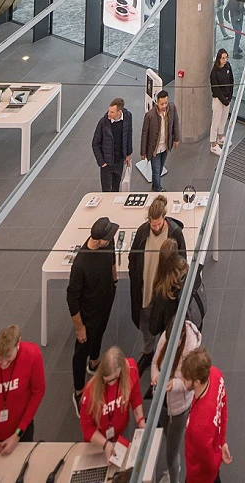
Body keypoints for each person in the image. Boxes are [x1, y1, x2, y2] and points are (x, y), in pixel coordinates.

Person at [68, 217, 118, 411]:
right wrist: (79, 327)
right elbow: (71, 298)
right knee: (81, 351)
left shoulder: (108, 242)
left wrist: (114, 281)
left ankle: (95, 362)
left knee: (100, 333)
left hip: (105, 302)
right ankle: (79, 392)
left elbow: (112, 258)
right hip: (88, 314)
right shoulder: (80, 263)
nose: (111, 238)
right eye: (108, 237)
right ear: (98, 240)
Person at [0, 325, 45, 457]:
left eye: (8, 358)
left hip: (21, 432)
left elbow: (38, 392)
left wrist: (18, 434)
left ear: (18, 344)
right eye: (0, 359)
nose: (4, 364)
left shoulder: (32, 356)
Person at [128, 197, 186, 360]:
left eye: (159, 224)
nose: (156, 227)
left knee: (166, 324)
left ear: (164, 218)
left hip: (165, 292)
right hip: (145, 289)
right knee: (146, 323)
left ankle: (165, 356)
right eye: (153, 225)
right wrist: (134, 276)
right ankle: (148, 353)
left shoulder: (175, 233)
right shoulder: (142, 232)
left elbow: (182, 263)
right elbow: (133, 257)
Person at [150, 315, 202, 483]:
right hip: (163, 404)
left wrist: (174, 384)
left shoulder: (190, 348)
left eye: (176, 341)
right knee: (167, 435)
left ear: (182, 337)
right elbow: (154, 363)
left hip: (179, 409)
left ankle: (174, 479)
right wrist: (156, 378)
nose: (173, 345)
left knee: (171, 454)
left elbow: (190, 383)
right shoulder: (166, 337)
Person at [79, 346, 145, 461]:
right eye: (106, 380)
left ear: (121, 371)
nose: (110, 384)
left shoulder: (131, 369)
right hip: (98, 441)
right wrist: (105, 444)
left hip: (122, 430)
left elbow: (135, 396)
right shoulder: (90, 392)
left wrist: (141, 422)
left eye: (114, 379)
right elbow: (87, 427)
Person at [181, 347, 231, 483]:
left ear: (197, 381)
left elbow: (210, 465)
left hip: (199, 477)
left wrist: (219, 455)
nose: (183, 380)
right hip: (214, 449)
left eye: (186, 378)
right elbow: (223, 409)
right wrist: (222, 442)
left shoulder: (198, 425)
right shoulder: (216, 375)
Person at [140, 91, 179, 192]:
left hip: (165, 146)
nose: (164, 105)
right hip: (154, 149)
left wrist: (176, 139)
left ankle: (155, 185)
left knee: (160, 168)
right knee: (156, 170)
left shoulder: (172, 108)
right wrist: (143, 152)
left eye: (166, 103)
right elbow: (144, 133)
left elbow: (175, 123)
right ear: (156, 102)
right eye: (162, 103)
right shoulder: (150, 115)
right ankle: (158, 189)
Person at [92, 98, 133, 192]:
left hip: (119, 161)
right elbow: (95, 143)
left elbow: (129, 135)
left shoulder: (128, 117)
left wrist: (128, 154)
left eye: (112, 112)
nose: (108, 114)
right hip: (107, 163)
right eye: (109, 111)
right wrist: (101, 162)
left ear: (119, 111)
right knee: (106, 190)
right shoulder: (103, 122)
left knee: (116, 187)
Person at [209, 49, 234, 155]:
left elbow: (231, 81)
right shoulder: (214, 73)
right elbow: (215, 89)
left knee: (223, 119)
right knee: (216, 121)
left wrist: (229, 97)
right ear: (219, 58)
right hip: (218, 100)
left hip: (226, 99)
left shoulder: (228, 66)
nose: (225, 60)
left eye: (226, 58)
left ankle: (220, 137)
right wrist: (224, 100)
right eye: (223, 58)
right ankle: (213, 144)